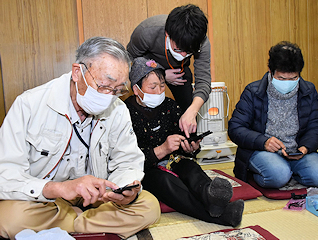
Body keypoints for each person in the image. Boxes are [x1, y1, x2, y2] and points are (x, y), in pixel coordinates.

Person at [0, 37, 160, 239]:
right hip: (46, 200)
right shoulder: (29, 105)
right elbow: (5, 174)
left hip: (98, 198)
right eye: (104, 85)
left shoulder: (117, 109)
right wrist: (58, 188)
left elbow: (128, 160)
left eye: (118, 90)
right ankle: (86, 222)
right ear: (78, 72)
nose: (109, 96)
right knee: (8, 218)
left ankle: (68, 222)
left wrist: (124, 188)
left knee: (150, 207)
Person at [125, 57, 244, 227]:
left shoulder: (169, 106)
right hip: (145, 169)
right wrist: (162, 149)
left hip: (174, 160)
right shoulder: (125, 113)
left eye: (162, 86)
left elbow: (183, 138)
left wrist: (191, 147)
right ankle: (222, 216)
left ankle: (213, 198)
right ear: (136, 90)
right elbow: (127, 160)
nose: (159, 91)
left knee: (191, 169)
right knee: (167, 183)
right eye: (152, 87)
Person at [228, 41, 318, 189]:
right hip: (261, 150)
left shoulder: (308, 91)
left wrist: (305, 147)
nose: (287, 83)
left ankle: (291, 170)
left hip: (296, 152)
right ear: (270, 71)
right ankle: (267, 171)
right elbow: (235, 128)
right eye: (282, 79)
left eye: (293, 78)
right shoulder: (253, 91)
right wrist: (263, 142)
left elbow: (316, 126)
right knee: (278, 176)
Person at [127, 4, 211, 138]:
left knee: (188, 109)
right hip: (148, 71)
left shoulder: (201, 42)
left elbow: (204, 81)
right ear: (167, 34)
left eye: (188, 52)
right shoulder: (146, 32)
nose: (183, 55)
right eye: (178, 49)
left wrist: (192, 111)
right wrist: (162, 76)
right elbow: (129, 62)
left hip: (180, 72)